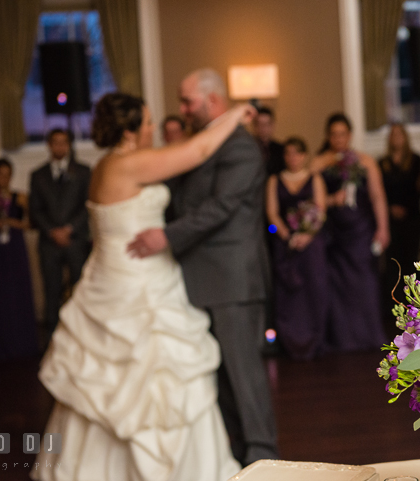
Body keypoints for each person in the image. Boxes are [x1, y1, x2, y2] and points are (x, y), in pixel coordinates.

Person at [31, 93, 252, 481]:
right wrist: (235, 113)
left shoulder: (104, 166)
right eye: (149, 123)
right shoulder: (129, 163)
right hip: (138, 283)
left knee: (104, 378)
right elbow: (199, 150)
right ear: (131, 131)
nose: (154, 130)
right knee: (154, 372)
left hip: (116, 276)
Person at [128, 68, 279, 465]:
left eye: (186, 101)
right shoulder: (203, 143)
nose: (181, 109)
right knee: (221, 377)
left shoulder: (240, 147)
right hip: (200, 277)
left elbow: (221, 207)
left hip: (233, 279)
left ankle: (264, 459)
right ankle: (235, 456)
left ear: (211, 101)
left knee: (244, 376)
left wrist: (167, 236)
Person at [310, 112, 389, 351]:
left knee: (365, 281)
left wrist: (383, 229)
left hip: (361, 230)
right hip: (334, 231)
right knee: (336, 284)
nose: (338, 139)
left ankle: (369, 335)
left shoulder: (365, 162)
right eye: (334, 134)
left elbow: (377, 197)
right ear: (328, 136)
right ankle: (343, 338)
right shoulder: (319, 162)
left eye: (343, 134)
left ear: (350, 135)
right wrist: (332, 200)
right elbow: (310, 197)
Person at [266, 137, 328, 361]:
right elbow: (272, 214)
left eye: (297, 153)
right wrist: (287, 236)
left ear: (304, 155)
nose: (293, 158)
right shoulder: (275, 180)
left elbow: (321, 211)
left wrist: (307, 235)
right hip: (285, 244)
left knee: (314, 291)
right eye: (288, 153)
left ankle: (314, 341)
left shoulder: (315, 178)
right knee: (288, 296)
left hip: (311, 245)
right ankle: (290, 342)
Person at [29, 129, 91, 342]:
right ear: (48, 145)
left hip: (76, 240)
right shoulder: (38, 176)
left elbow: (88, 205)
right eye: (55, 142)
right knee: (51, 291)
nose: (60, 147)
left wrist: (69, 228)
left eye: (64, 142)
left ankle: (81, 338)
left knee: (79, 290)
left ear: (69, 145)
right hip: (49, 243)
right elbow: (35, 210)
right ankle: (52, 340)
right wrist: (52, 231)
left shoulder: (83, 172)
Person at [0, 159, 38, 360]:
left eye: (7, 174)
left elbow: (31, 223)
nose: (4, 178)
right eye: (0, 174)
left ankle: (23, 342)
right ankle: (1, 343)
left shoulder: (20, 197)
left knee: (19, 289)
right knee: (0, 290)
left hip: (15, 245)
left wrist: (12, 222)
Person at [379, 123, 420, 310]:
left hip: (411, 218)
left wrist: (405, 208)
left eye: (399, 134)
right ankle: (393, 304)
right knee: (391, 263)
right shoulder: (382, 163)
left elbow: (419, 191)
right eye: (393, 134)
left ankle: (412, 302)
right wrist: (389, 208)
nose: (396, 138)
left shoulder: (417, 161)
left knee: (410, 261)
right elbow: (379, 192)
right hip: (390, 221)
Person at [253, 106, 285, 176]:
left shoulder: (281, 150)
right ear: (254, 126)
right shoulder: (248, 149)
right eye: (259, 124)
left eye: (266, 124)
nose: (263, 128)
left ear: (272, 125)